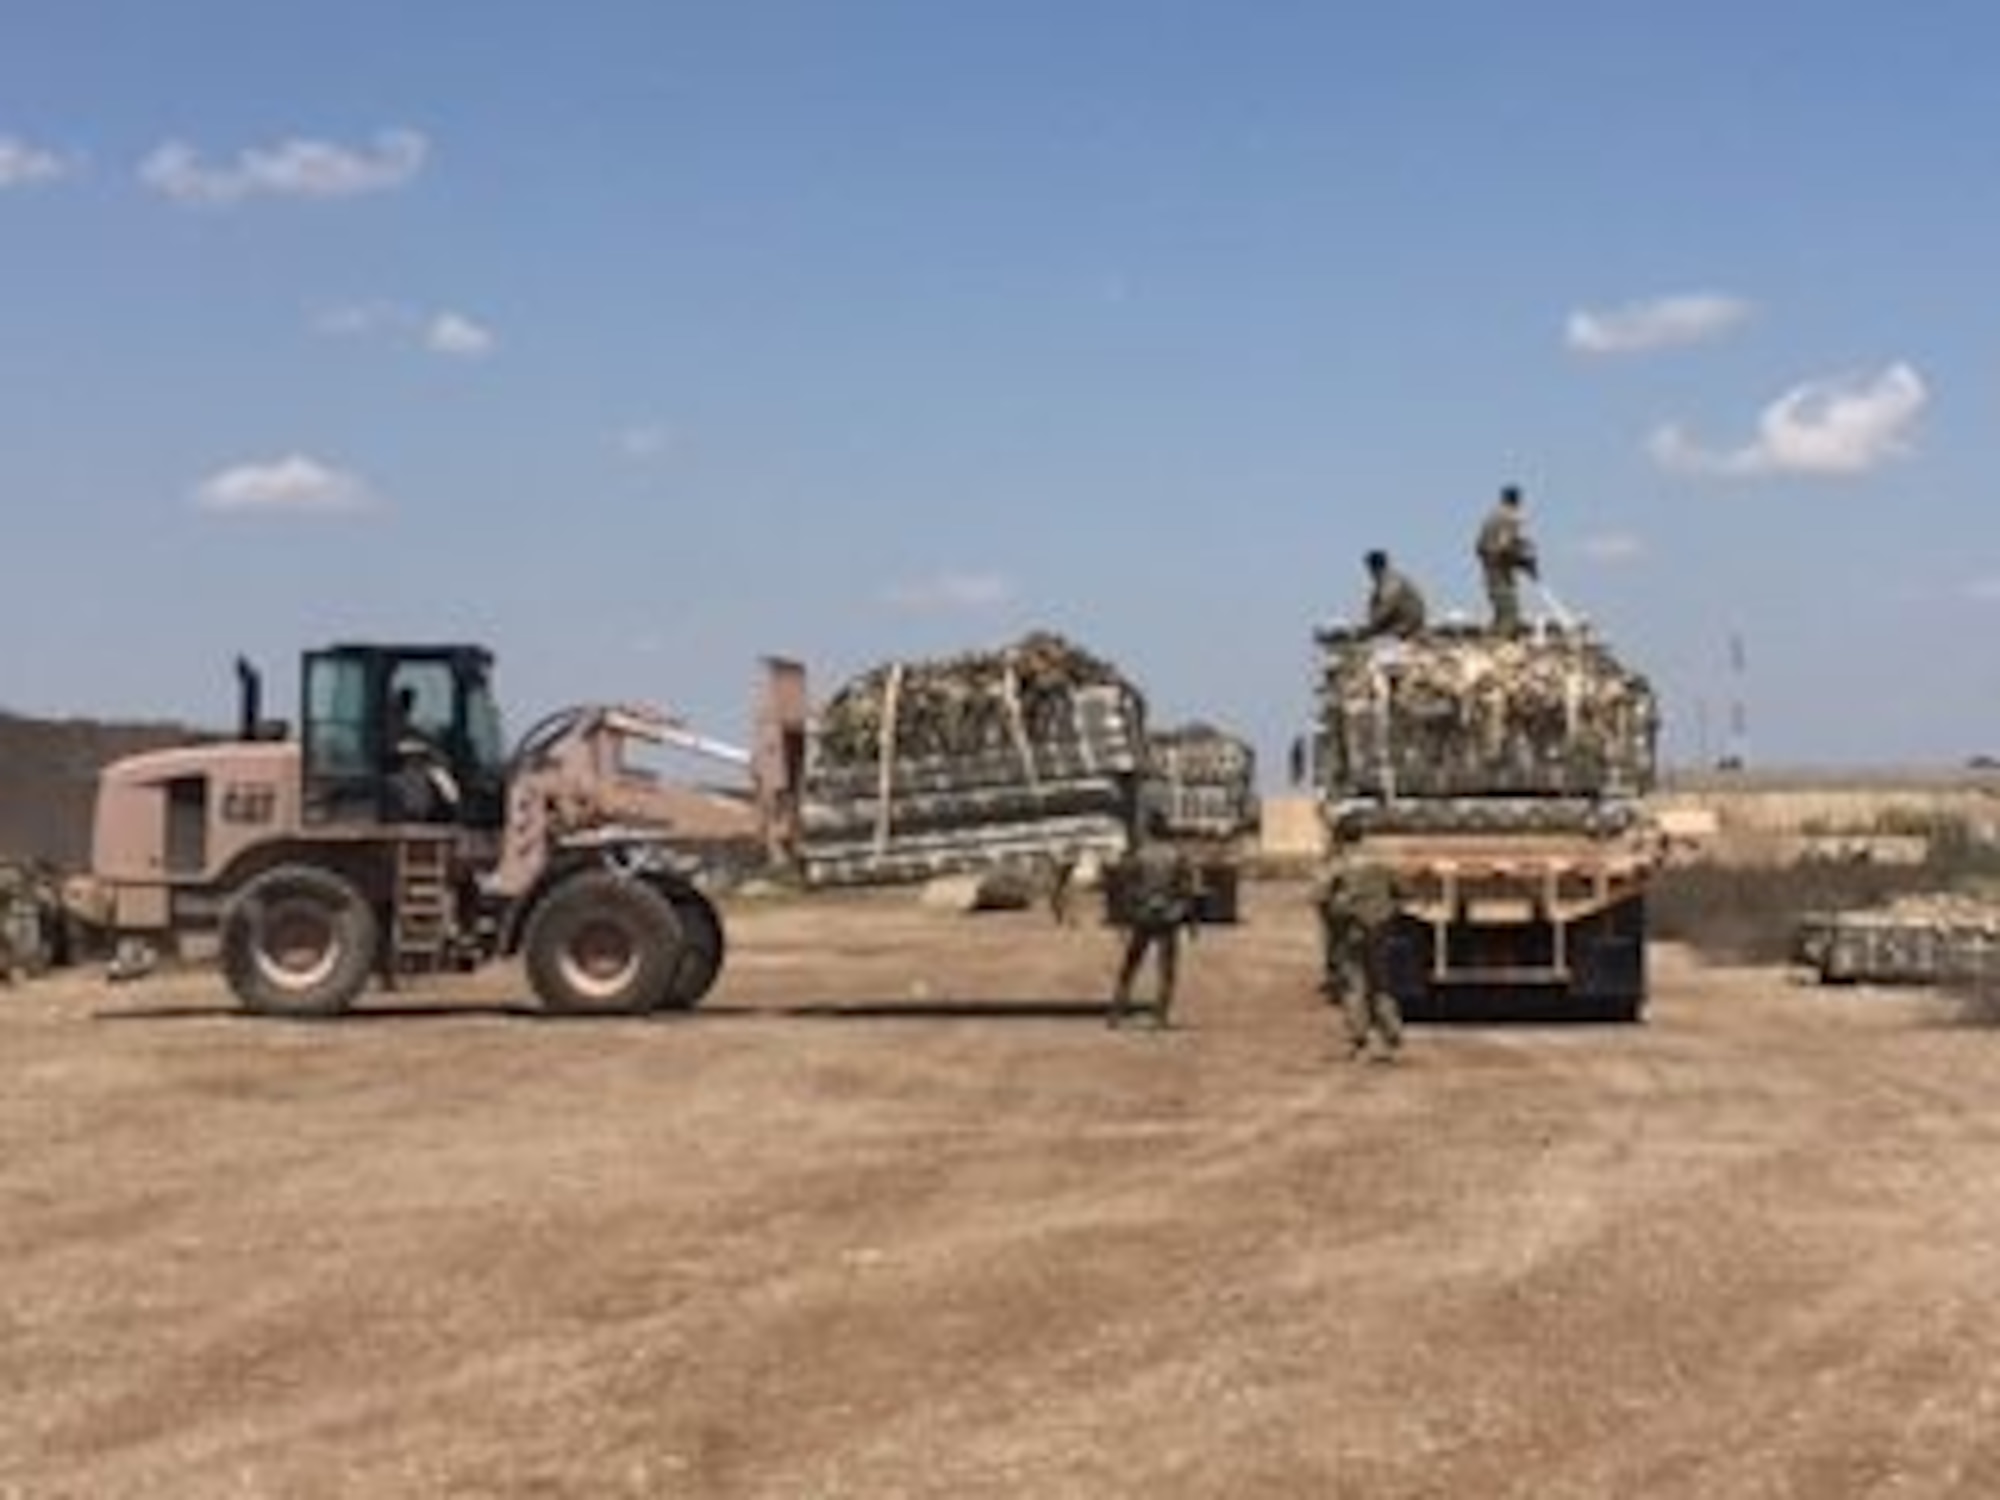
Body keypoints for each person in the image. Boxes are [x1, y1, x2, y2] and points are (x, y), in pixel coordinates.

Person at [1109, 811, 1197, 1029]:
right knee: (1166, 970)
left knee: (1130, 966)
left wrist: (1122, 919)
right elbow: (1187, 891)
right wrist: (1192, 922)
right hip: (1169, 917)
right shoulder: (1177, 855)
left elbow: (1127, 887)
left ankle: (1117, 1013)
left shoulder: (1139, 855)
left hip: (1143, 916)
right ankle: (1160, 1016)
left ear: (1148, 830)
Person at [1318, 857, 1403, 1062]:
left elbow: (1320, 897)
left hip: (1351, 932)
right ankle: (1390, 1038)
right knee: (1381, 983)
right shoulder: (1381, 864)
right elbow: (1403, 891)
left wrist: (1333, 925)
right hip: (1379, 930)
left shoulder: (1336, 866)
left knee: (1355, 986)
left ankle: (1359, 1041)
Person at [1475, 485, 1539, 636]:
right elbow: (1504, 547)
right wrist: (1523, 562)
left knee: (1501, 606)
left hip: (1494, 565)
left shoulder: (1494, 515)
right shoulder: (1509, 517)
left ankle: (1496, 635)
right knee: (1509, 610)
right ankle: (1500, 641)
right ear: (1517, 501)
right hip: (1497, 565)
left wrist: (1524, 554)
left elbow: (1504, 543)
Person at [1360, 550, 1427, 639]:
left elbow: (1387, 606)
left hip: (1406, 625)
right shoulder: (1382, 581)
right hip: (1397, 623)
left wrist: (1371, 627)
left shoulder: (1391, 581)